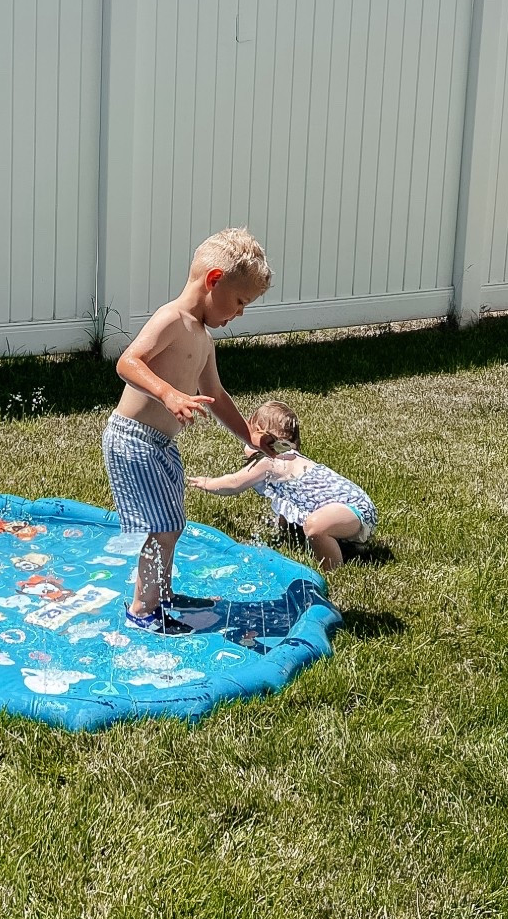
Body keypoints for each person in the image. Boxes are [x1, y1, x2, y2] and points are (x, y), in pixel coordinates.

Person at [103, 228, 273, 632]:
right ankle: (143, 610)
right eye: (239, 301)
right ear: (214, 280)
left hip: (159, 444)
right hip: (132, 438)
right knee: (163, 526)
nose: (240, 313)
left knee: (171, 524)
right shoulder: (171, 319)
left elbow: (214, 392)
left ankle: (158, 592)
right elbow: (128, 362)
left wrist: (249, 434)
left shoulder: (204, 339)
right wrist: (168, 394)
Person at [190, 398, 376, 571]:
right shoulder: (289, 459)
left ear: (263, 437)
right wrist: (283, 528)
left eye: (249, 435)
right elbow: (290, 502)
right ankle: (350, 547)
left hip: (350, 511)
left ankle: (333, 571)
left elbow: (233, 483)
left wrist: (207, 483)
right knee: (313, 524)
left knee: (315, 527)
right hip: (356, 508)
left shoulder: (270, 461)